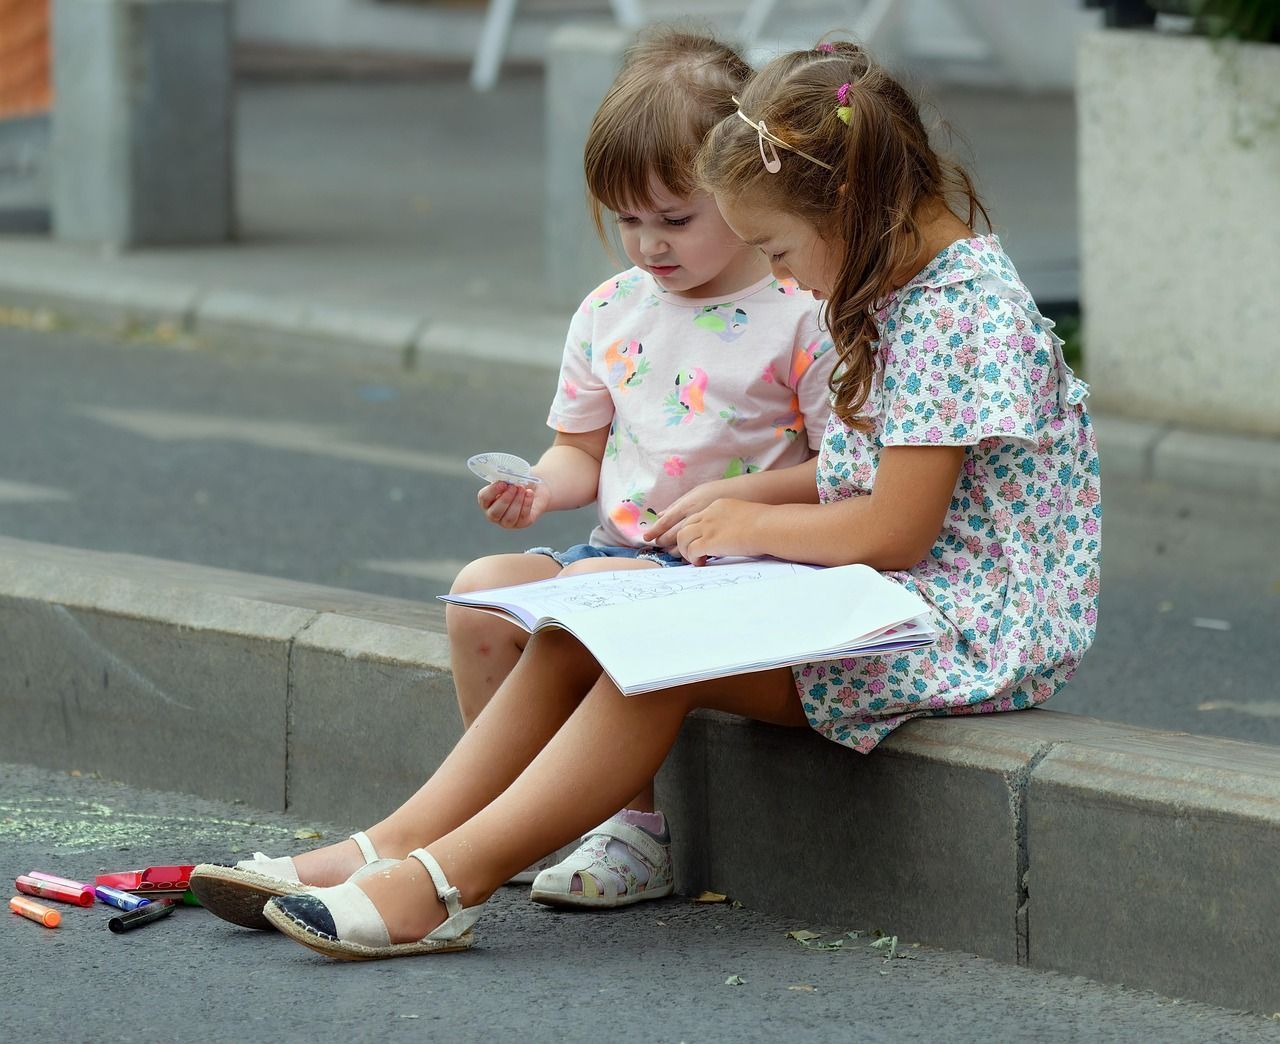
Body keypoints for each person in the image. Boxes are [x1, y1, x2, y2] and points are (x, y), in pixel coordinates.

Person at [189, 38, 1099, 961]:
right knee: (576, 625)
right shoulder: (906, 278)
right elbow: (866, 490)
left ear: (848, 204)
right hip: (882, 595)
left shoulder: (957, 311)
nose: (787, 278)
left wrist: (750, 518)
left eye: (778, 248)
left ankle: (438, 885)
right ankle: (386, 848)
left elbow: (897, 531)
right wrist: (744, 514)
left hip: (960, 627)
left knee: (658, 648)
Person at [443, 28, 835, 907]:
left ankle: (634, 833)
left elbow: (840, 472)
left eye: (675, 219)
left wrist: (737, 500)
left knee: (597, 603)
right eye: (627, 220)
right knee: (478, 597)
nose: (649, 245)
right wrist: (538, 487)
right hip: (619, 552)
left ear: (742, 187)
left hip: (740, 565)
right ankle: (506, 816)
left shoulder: (799, 309)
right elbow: (581, 451)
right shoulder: (611, 310)